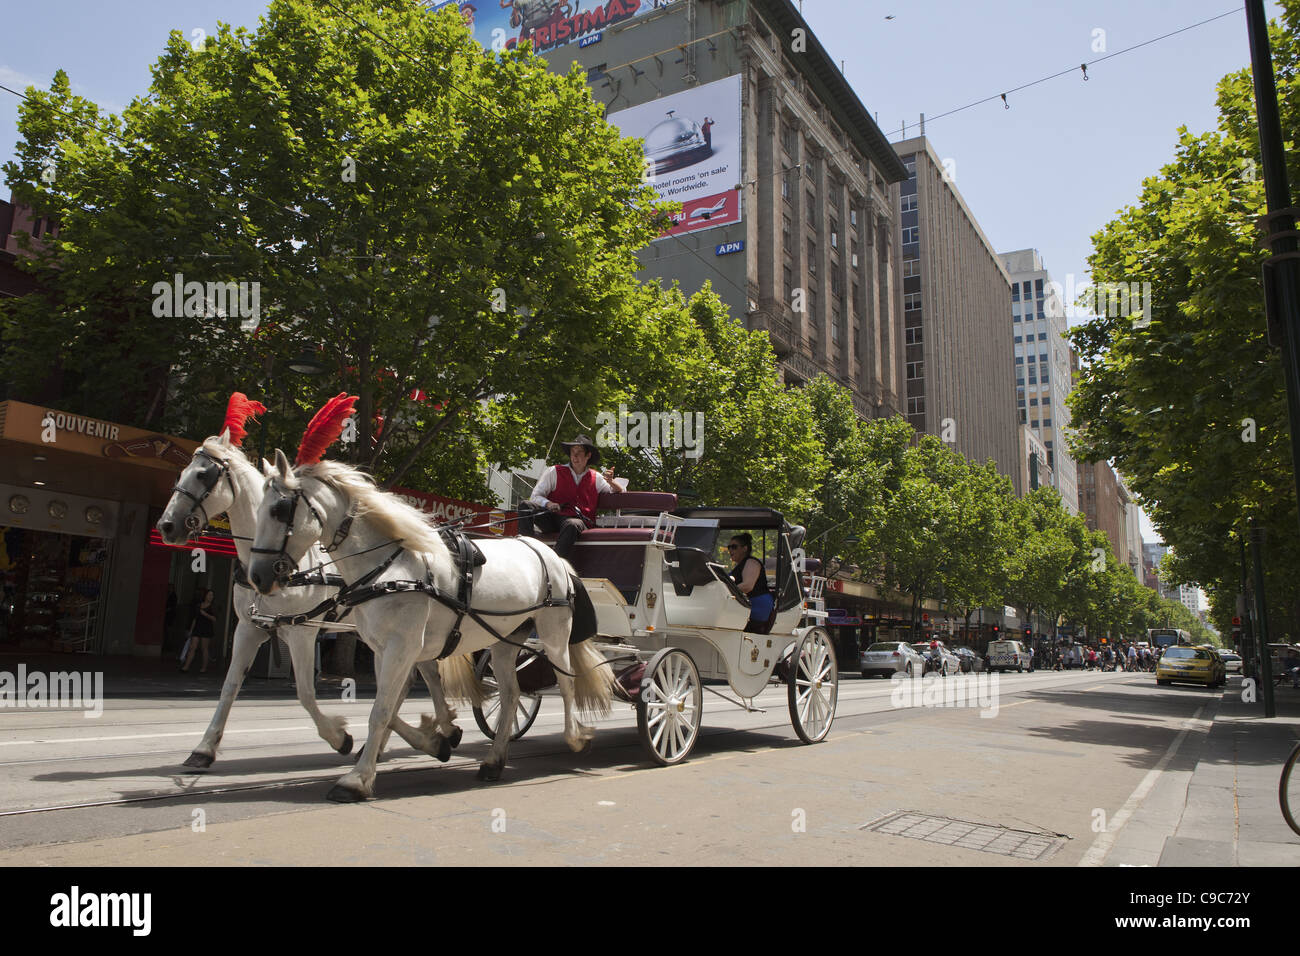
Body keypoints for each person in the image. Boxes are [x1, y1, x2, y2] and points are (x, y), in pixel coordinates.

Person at [517, 435, 620, 560]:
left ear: (588, 456)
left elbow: (617, 491)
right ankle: (527, 552)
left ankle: (555, 563)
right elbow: (535, 497)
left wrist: (611, 481)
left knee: (572, 523)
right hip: (553, 518)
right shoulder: (554, 471)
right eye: (572, 452)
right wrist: (548, 504)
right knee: (525, 506)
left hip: (578, 522)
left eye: (579, 452)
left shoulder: (596, 477)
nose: (575, 456)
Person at [727, 533, 774, 632]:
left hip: (756, 607)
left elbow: (747, 586)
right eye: (729, 547)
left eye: (734, 547)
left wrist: (724, 591)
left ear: (744, 549)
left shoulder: (751, 562)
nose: (730, 550)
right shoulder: (739, 565)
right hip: (744, 607)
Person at [182, 589, 216, 674]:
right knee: (192, 647)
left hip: (207, 629)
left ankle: (203, 668)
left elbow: (214, 619)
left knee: (204, 648)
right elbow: (195, 619)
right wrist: (191, 630)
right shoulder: (198, 605)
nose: (210, 597)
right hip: (197, 628)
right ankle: (186, 666)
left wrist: (205, 614)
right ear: (205, 596)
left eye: (212, 595)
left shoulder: (213, 606)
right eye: (209, 595)